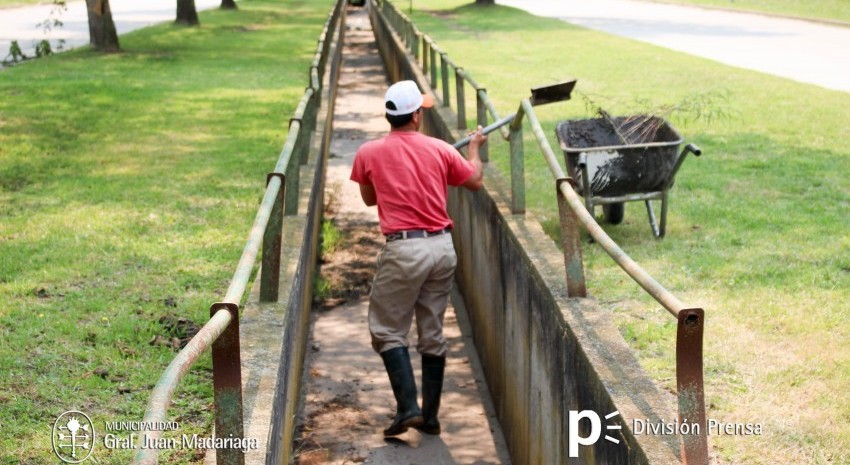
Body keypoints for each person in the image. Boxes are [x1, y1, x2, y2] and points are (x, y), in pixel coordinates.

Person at [350, 80, 486, 437]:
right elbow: (474, 181)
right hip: (441, 248)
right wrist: (473, 149)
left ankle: (408, 407)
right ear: (415, 116)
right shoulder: (440, 150)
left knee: (387, 329)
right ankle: (430, 416)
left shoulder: (368, 152)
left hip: (404, 249)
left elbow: (368, 199)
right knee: (432, 331)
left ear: (390, 115)